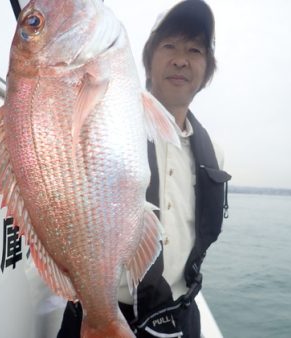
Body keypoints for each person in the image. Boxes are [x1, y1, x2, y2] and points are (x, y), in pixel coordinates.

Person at [58, 0, 230, 337]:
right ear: (147, 60)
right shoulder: (107, 116)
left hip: (180, 316)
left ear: (207, 70)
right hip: (100, 306)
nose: (181, 59)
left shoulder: (214, 154)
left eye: (195, 50)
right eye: (169, 46)